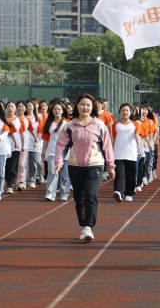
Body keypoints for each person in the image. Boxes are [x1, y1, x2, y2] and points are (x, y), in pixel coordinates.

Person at [55, 93, 115, 242]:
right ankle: (84, 225)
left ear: (92, 107)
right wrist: (58, 162)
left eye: (88, 105)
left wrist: (111, 166)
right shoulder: (69, 126)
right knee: (79, 198)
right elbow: (61, 146)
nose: (85, 107)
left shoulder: (99, 125)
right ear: (77, 106)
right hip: (75, 165)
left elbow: (107, 146)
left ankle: (88, 227)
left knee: (90, 194)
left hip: (95, 165)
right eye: (82, 104)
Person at [113, 103, 144, 202]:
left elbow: (137, 135)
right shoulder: (116, 124)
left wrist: (139, 146)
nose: (125, 112)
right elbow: (113, 138)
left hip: (131, 152)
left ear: (131, 112)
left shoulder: (135, 124)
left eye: (127, 110)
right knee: (120, 173)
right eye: (122, 110)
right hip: (118, 153)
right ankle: (119, 192)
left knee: (130, 174)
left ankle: (129, 193)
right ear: (120, 112)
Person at [42, 101, 71, 202]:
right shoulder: (49, 122)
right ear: (52, 111)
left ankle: (64, 192)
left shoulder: (67, 123)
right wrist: (43, 151)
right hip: (52, 151)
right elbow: (46, 138)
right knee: (52, 171)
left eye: (59, 109)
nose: (57, 111)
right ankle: (50, 193)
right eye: (55, 109)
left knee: (64, 173)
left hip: (65, 152)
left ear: (63, 111)